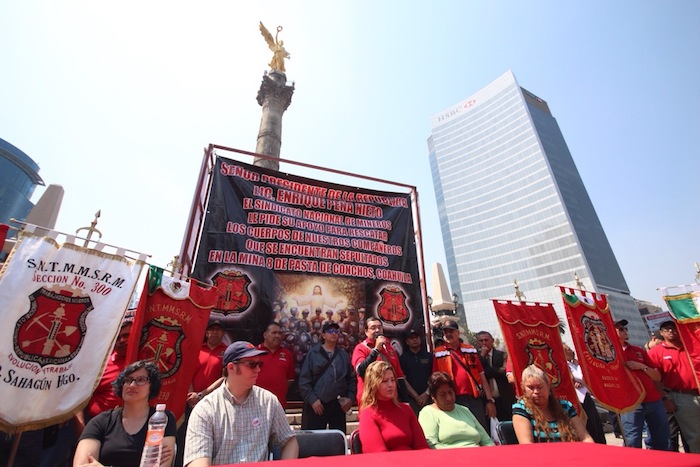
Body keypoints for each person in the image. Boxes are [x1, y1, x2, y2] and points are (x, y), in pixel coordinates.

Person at [184, 341, 298, 465]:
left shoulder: (269, 401)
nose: (258, 369)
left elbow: (289, 441)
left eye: (259, 364)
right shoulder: (205, 409)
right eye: (252, 365)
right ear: (231, 367)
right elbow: (198, 460)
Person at [74, 360, 177, 467]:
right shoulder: (101, 421)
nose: (132, 385)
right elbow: (81, 464)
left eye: (141, 380)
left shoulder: (163, 419)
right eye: (127, 380)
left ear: (152, 387)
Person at [614, 319, 670, 450]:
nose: (625, 331)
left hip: (653, 400)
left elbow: (657, 376)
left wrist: (642, 366)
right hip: (630, 404)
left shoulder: (638, 350)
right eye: (620, 329)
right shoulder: (610, 354)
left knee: (662, 439)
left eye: (625, 329)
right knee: (632, 442)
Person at [648, 320, 700, 453]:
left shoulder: (692, 345)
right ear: (661, 333)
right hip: (682, 397)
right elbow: (654, 379)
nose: (671, 331)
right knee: (695, 436)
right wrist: (664, 399)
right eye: (667, 329)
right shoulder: (656, 352)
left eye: (673, 328)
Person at [433, 320, 496, 430]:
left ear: (458, 333)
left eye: (451, 331)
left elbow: (482, 377)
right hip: (453, 400)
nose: (448, 334)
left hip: (474, 399)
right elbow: (435, 381)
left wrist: (490, 401)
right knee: (461, 431)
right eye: (445, 332)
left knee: (480, 430)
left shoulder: (470, 349)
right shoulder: (438, 353)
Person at [358, 361, 429, 452]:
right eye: (384, 381)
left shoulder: (406, 410)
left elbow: (422, 447)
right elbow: (377, 455)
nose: (391, 385)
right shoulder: (368, 415)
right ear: (373, 385)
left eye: (392, 380)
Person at [512, 364, 594, 443]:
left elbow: (585, 438)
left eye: (540, 387)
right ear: (524, 389)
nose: (536, 392)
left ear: (548, 386)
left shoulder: (566, 406)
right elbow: (527, 444)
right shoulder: (521, 408)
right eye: (531, 388)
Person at [298, 321, 356, 431]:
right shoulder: (313, 353)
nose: (333, 333)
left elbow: (351, 379)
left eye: (336, 331)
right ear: (323, 335)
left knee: (337, 441)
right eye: (330, 331)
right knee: (315, 442)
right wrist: (313, 400)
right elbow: (304, 381)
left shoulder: (343, 355)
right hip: (316, 405)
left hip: (337, 405)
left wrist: (350, 398)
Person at [352, 317, 421, 408]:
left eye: (379, 327)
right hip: (371, 401)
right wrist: (376, 350)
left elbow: (399, 376)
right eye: (373, 328)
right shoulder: (361, 348)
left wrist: (405, 402)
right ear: (366, 331)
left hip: (391, 400)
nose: (377, 330)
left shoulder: (389, 348)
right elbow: (360, 370)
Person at [418, 372, 495, 449]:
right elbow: (431, 444)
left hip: (478, 454)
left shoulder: (465, 410)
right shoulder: (428, 413)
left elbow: (487, 441)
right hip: (450, 458)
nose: (448, 398)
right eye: (443, 395)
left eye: (450, 392)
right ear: (433, 397)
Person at [563, 344, 607, 444]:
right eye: (568, 350)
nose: (572, 351)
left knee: (596, 424)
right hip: (577, 400)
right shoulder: (564, 366)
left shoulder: (578, 363)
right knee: (588, 426)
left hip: (586, 396)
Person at [476, 331, 516, 421]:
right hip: (487, 402)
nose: (484, 343)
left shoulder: (502, 355)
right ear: (478, 343)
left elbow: (503, 371)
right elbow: (477, 374)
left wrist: (485, 371)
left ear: (492, 340)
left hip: (505, 398)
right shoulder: (475, 358)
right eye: (481, 341)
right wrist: (482, 357)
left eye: (486, 340)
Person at [256, 322, 295, 408]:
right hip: (257, 404)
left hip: (279, 404)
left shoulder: (287, 354)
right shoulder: (254, 352)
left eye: (279, 333)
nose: (277, 336)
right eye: (274, 333)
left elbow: (290, 380)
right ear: (265, 335)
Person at [399, 329, 432, 415]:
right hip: (412, 400)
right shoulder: (403, 358)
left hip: (429, 398)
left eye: (416, 337)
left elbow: (434, 376)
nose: (414, 340)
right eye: (411, 338)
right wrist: (417, 397)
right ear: (407, 342)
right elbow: (403, 379)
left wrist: (426, 394)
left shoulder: (429, 356)